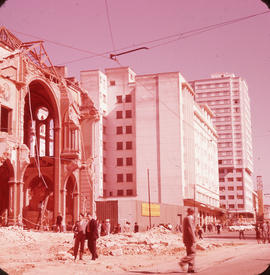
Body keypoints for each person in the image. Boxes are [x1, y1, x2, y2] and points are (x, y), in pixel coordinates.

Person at [179, 208, 196, 273]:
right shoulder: (189, 218)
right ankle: (182, 262)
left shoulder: (186, 218)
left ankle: (191, 268)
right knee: (193, 253)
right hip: (190, 238)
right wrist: (193, 238)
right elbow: (190, 229)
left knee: (190, 253)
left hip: (187, 238)